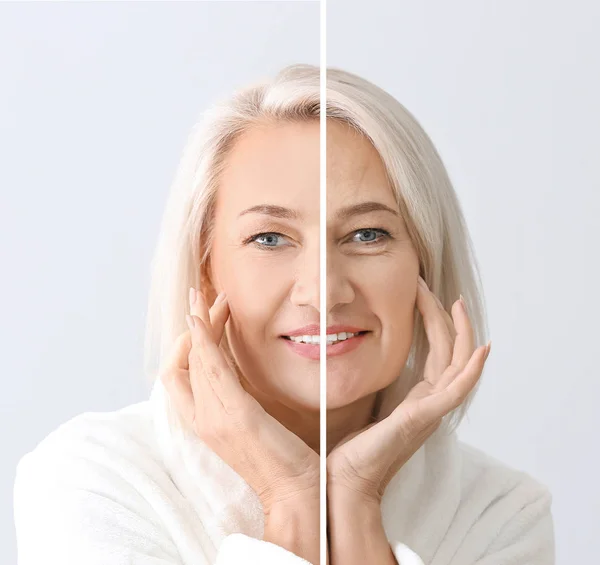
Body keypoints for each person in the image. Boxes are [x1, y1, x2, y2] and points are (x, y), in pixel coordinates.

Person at [13, 64, 555, 565]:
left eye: (368, 234)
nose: (324, 293)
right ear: (206, 271)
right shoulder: (93, 479)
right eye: (269, 238)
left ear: (426, 265)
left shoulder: (501, 513)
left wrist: (358, 500)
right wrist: (292, 498)